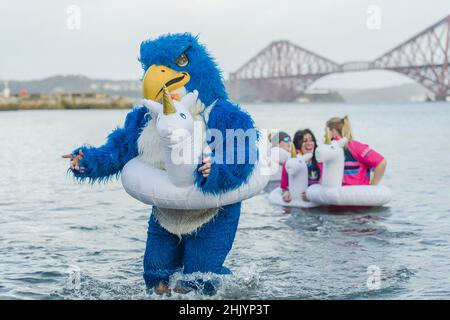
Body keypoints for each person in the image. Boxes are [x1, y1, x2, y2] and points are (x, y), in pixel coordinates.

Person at [325, 116, 387, 186]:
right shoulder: (329, 150)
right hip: (340, 194)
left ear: (333, 132)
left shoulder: (355, 147)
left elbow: (381, 163)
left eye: (326, 132)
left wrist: (373, 186)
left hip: (358, 194)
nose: (324, 135)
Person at [281, 129, 322, 202]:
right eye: (305, 141)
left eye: (311, 140)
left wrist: (311, 195)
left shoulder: (320, 162)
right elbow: (284, 186)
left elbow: (324, 186)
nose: (309, 143)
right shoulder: (290, 164)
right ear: (298, 145)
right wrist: (286, 192)